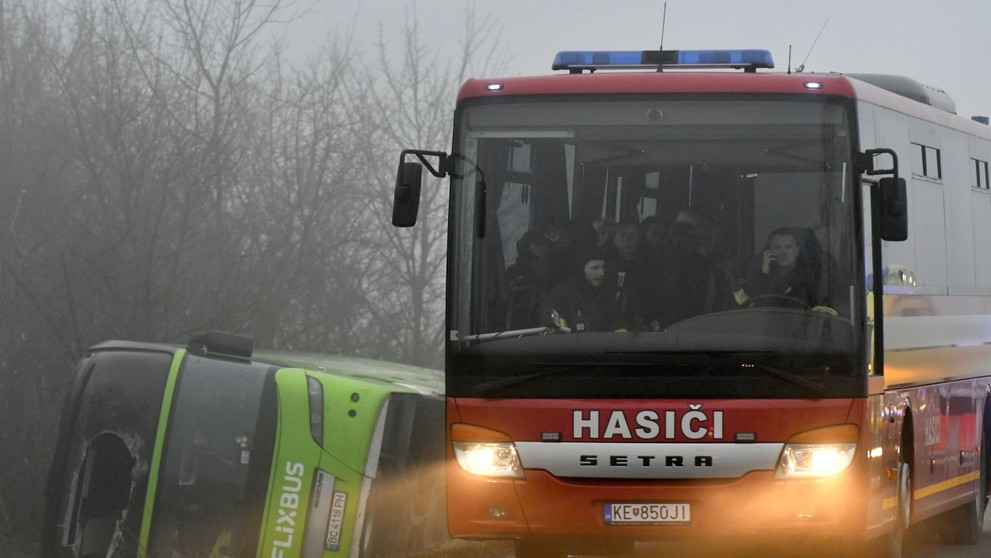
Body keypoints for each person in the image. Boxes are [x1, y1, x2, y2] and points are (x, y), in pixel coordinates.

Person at [734, 227, 822, 308]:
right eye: (777, 247)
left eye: (788, 247)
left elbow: (822, 315)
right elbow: (734, 305)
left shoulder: (810, 279)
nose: (783, 252)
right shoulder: (760, 279)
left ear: (797, 251)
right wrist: (762, 275)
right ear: (769, 252)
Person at [537, 248, 620, 332]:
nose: (601, 273)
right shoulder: (561, 293)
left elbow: (618, 320)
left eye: (603, 267)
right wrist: (558, 322)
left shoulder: (609, 292)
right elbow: (548, 313)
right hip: (570, 342)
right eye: (595, 268)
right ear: (582, 269)